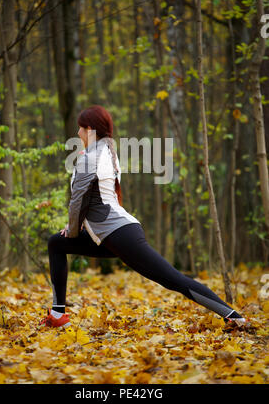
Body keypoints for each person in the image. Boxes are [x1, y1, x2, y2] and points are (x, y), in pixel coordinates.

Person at [40, 105, 246, 329]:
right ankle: (58, 314)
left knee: (171, 278)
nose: (78, 134)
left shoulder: (92, 156)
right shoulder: (106, 151)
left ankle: (232, 315)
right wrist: (75, 231)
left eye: (80, 129)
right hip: (110, 233)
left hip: (119, 234)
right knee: (56, 243)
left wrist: (72, 230)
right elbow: (96, 198)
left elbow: (78, 200)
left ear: (90, 130)